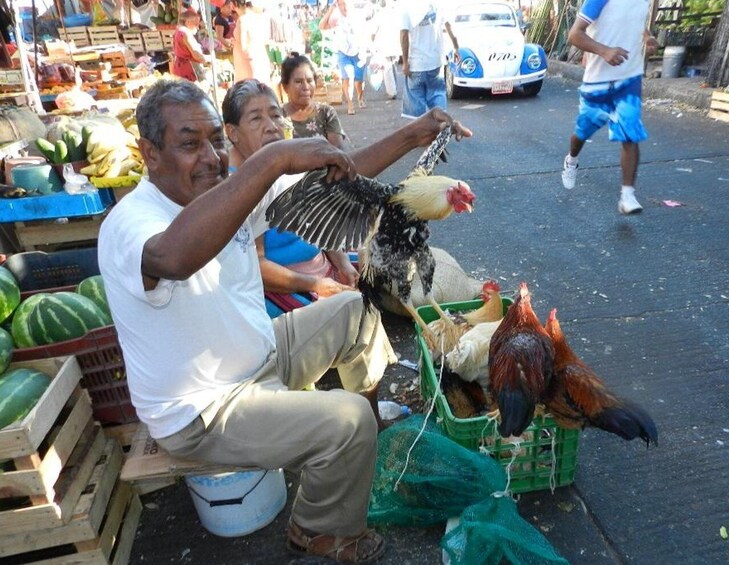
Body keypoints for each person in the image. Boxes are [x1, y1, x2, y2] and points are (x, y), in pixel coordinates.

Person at [98, 78, 471, 563]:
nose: (210, 156)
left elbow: (334, 176)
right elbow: (173, 257)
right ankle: (319, 528)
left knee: (356, 308)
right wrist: (272, 159)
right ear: (149, 152)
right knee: (346, 418)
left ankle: (356, 450)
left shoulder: (223, 191)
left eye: (214, 139)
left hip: (260, 360)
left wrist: (412, 135)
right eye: (190, 144)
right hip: (203, 412)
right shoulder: (131, 222)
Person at [225, 77, 354, 318]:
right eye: (256, 118)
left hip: (320, 270)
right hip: (281, 288)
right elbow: (257, 266)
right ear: (232, 132)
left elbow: (322, 224)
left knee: (386, 269)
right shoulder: (236, 189)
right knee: (349, 317)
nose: (271, 126)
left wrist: (343, 262)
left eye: (275, 115)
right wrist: (314, 285)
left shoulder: (291, 164)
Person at [561, 0, 659, 215]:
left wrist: (648, 37)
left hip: (629, 79)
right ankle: (572, 159)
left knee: (629, 132)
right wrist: (604, 51)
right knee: (583, 132)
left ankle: (627, 195)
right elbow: (574, 34)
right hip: (597, 82)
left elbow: (635, 22)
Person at [398, 1, 460, 119]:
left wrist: (405, 62)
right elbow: (449, 27)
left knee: (416, 105)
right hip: (435, 62)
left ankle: (421, 135)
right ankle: (442, 130)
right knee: (437, 95)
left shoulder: (407, 7)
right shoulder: (438, 4)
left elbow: (404, 35)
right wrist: (456, 47)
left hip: (416, 64)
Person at [318, 0, 369, 115]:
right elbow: (321, 26)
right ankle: (350, 104)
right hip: (343, 51)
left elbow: (365, 30)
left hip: (358, 51)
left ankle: (360, 98)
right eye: (340, 3)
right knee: (347, 78)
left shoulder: (356, 13)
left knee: (358, 81)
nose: (343, 6)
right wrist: (330, 10)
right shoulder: (335, 16)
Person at [232, 0, 273, 83]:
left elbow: (244, 46)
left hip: (247, 64)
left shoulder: (243, 20)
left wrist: (235, 43)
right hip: (261, 59)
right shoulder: (259, 18)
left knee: (248, 91)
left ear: (236, 5)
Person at [171, 9, 205, 82]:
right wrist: (206, 60)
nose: (198, 26)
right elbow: (195, 54)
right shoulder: (185, 33)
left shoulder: (179, 31)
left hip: (179, 67)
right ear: (187, 22)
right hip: (188, 69)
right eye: (196, 23)